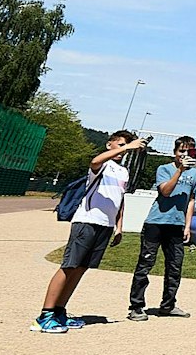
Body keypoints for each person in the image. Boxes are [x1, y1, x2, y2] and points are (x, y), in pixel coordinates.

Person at [34, 130, 144, 333]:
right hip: (87, 221)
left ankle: (59, 311)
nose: (122, 150)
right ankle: (45, 314)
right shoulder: (102, 165)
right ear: (109, 144)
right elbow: (94, 161)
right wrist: (128, 146)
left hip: (105, 225)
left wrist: (119, 227)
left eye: (125, 147)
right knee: (69, 266)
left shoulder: (123, 172)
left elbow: (120, 200)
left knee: (81, 268)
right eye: (119, 145)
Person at [128, 135, 196, 321]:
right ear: (175, 152)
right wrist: (180, 171)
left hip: (176, 226)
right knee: (145, 265)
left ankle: (168, 305)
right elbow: (165, 191)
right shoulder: (164, 169)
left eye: (189, 151)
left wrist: (187, 225)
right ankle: (136, 306)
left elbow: (191, 199)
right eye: (181, 151)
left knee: (175, 267)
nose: (184, 155)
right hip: (156, 222)